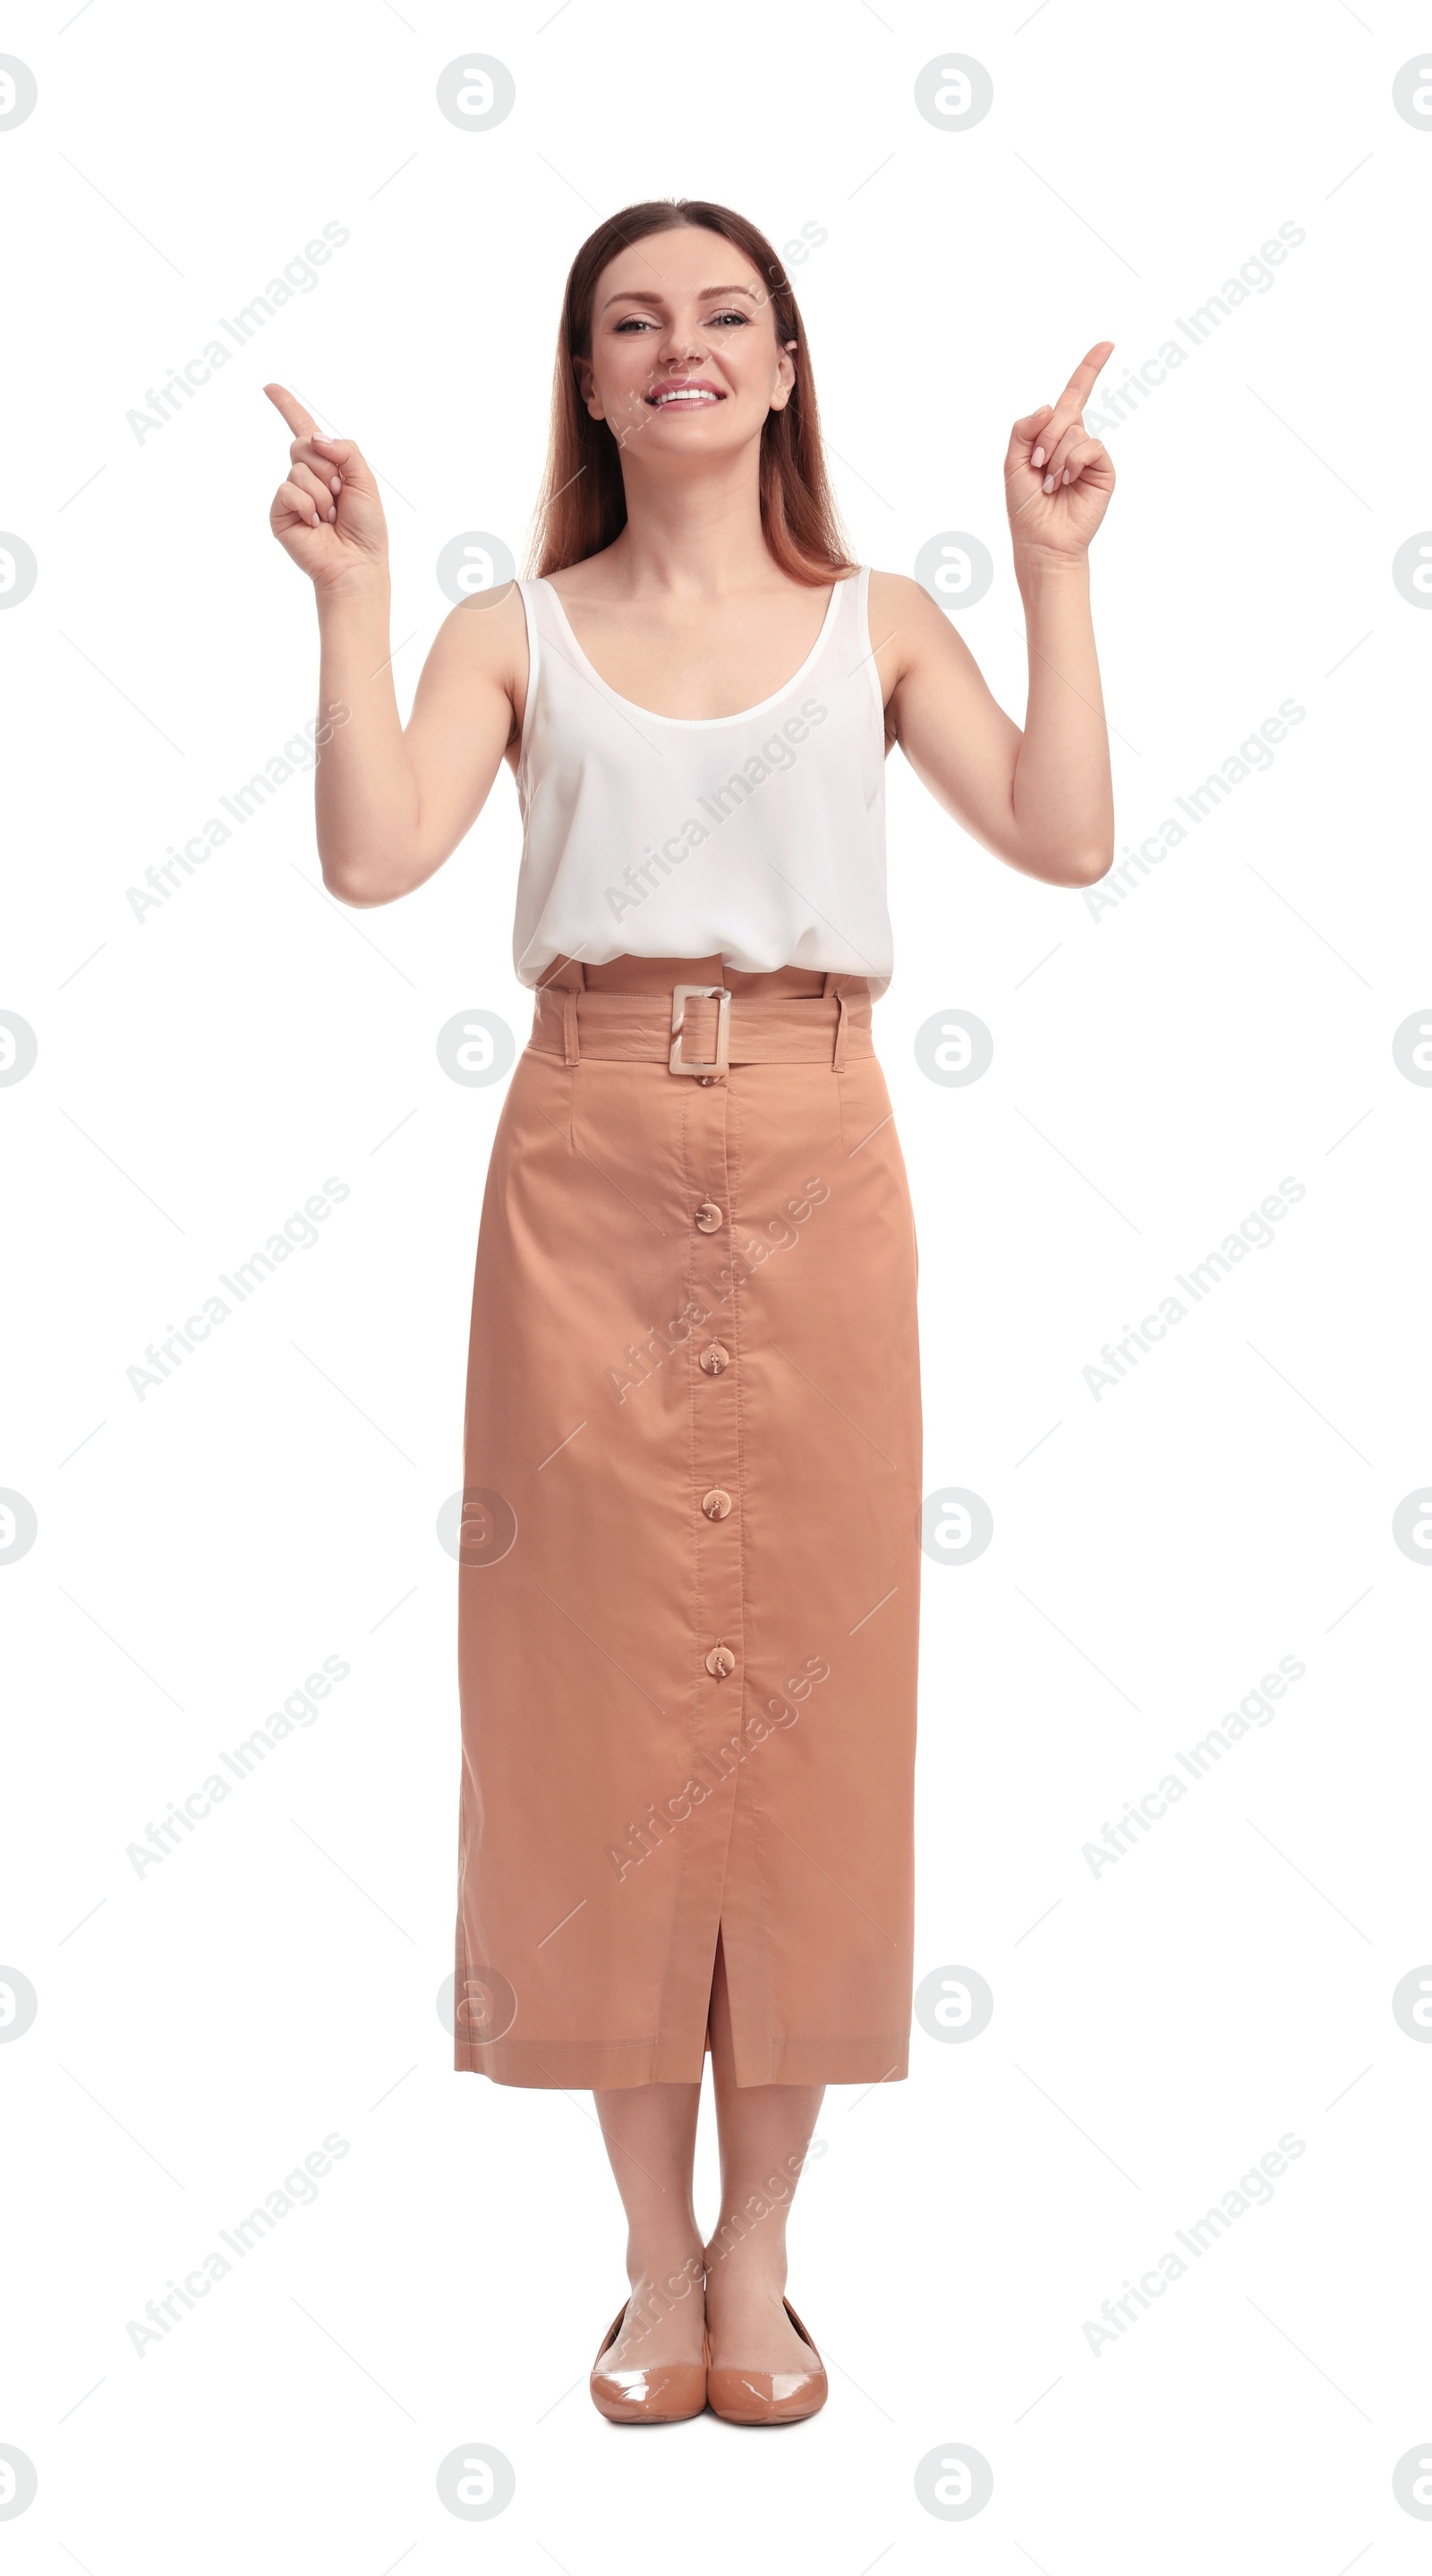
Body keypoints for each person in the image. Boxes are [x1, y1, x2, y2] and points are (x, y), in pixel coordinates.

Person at [265, 194, 1114, 2427]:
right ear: (583, 373)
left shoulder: (882, 620)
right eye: (633, 319)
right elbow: (373, 856)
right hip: (582, 1161)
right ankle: (650, 2268)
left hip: (828, 1155)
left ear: (786, 362)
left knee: (808, 1713)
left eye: (723, 314)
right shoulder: (509, 627)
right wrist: (354, 602)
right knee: (595, 1715)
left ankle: (764, 2257)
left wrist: (1053, 571)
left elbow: (1064, 831)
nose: (681, 348)